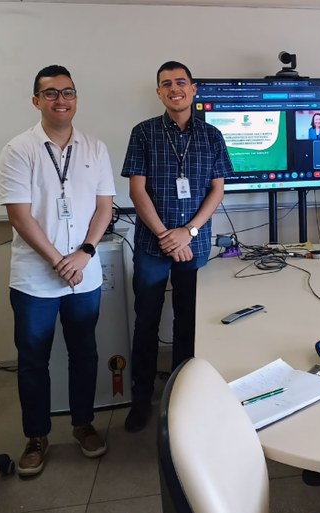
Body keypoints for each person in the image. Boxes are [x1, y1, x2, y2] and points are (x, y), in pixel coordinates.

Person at [0, 65, 115, 476]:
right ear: (36, 101)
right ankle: (36, 435)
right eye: (50, 93)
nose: (60, 99)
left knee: (85, 353)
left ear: (76, 98)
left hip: (84, 272)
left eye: (67, 92)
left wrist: (83, 252)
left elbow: (104, 207)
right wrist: (56, 260)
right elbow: (19, 214)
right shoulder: (18, 149)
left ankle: (83, 424)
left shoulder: (95, 148)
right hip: (35, 277)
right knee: (33, 359)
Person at [121, 61, 232, 433]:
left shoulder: (212, 135)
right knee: (147, 322)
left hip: (194, 246)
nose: (174, 88)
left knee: (190, 322)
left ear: (193, 88)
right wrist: (168, 236)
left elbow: (217, 189)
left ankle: (186, 395)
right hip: (152, 247)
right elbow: (137, 191)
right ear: (159, 92)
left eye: (180, 82)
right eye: (166, 84)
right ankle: (141, 398)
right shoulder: (143, 133)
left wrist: (189, 231)